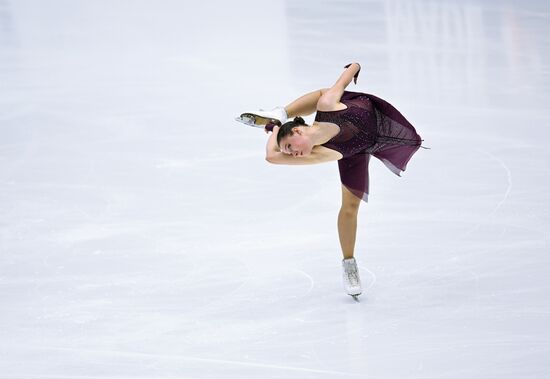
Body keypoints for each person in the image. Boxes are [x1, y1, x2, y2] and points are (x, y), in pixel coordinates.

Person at [236, 63, 426, 297]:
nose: (290, 154)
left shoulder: (328, 105)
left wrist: (355, 66)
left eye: (288, 147)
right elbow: (271, 156)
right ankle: (349, 264)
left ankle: (282, 111)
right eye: (287, 152)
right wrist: (275, 129)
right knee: (349, 209)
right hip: (353, 150)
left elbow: (343, 80)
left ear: (297, 131)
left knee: (323, 95)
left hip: (363, 112)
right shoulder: (322, 152)